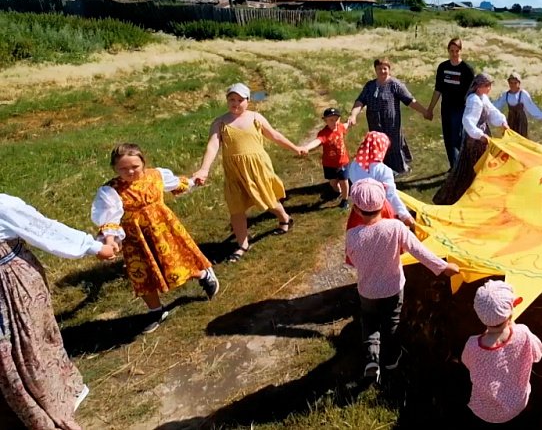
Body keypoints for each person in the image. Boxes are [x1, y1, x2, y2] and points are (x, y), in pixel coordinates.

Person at [1, 194, 117, 430]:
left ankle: (47, 403)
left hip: (12, 283)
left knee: (31, 345)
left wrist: (94, 247)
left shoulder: (2, 205)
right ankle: (17, 407)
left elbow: (44, 229)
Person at [92, 143, 219, 334]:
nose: (130, 171)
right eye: (123, 169)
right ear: (115, 169)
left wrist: (194, 181)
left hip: (164, 228)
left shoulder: (156, 175)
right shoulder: (110, 191)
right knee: (141, 273)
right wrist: (110, 241)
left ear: (143, 163)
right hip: (135, 238)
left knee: (175, 261)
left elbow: (177, 184)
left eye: (135, 166)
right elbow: (109, 218)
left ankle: (203, 275)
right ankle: (156, 311)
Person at [345, 179, 460, 382]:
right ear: (384, 204)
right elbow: (418, 251)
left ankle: (372, 358)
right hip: (393, 288)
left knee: (369, 321)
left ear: (356, 209)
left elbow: (353, 261)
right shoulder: (396, 227)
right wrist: (442, 267)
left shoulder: (353, 235)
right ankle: (391, 359)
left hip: (367, 290)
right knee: (392, 322)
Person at [191, 83, 299, 262]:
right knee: (236, 207)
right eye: (231, 99)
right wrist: (204, 169)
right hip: (234, 172)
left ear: (248, 100)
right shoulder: (220, 122)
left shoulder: (256, 118)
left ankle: (285, 218)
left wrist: (295, 148)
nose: (235, 103)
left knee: (268, 198)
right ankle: (242, 244)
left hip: (257, 168)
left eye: (240, 100)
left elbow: (275, 135)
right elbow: (213, 145)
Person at [461, 281, 542, 427]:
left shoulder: (473, 345)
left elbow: (466, 362)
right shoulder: (523, 333)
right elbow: (538, 354)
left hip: (484, 410)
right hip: (518, 404)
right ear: (512, 309)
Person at [433, 74, 509, 205]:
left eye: (490, 85)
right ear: (479, 87)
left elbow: (491, 112)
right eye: (487, 85)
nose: (489, 88)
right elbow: (467, 121)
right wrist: (480, 135)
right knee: (472, 168)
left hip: (482, 137)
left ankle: (480, 194)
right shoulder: (474, 100)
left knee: (481, 166)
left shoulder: (483, 98)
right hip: (475, 140)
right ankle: (466, 196)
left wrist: (502, 121)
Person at [347, 59, 429, 175]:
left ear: (389, 70)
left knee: (393, 144)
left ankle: (399, 169)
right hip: (375, 124)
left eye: (385, 68)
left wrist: (424, 112)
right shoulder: (370, 86)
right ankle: (380, 171)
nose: (382, 71)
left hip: (392, 124)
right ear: (375, 70)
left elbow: (410, 100)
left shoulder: (395, 85)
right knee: (377, 145)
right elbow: (360, 101)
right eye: (379, 68)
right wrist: (353, 115)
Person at [346, 131, 414, 229]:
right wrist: (405, 216)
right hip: (380, 212)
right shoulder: (383, 170)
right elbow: (391, 196)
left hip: (360, 211)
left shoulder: (354, 165)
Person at [426, 38, 476, 169]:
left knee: (457, 138)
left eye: (457, 51)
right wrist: (430, 109)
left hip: (460, 109)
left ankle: (459, 167)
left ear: (461, 51)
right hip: (446, 108)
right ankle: (454, 167)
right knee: (448, 139)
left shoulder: (467, 70)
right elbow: (438, 90)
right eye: (451, 51)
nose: (454, 54)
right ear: (448, 51)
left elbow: (473, 92)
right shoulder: (443, 67)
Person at [300, 108, 351, 209]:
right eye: (331, 120)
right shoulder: (324, 133)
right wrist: (306, 148)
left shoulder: (341, 127)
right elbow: (317, 141)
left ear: (339, 119)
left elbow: (346, 125)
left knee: (344, 181)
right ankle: (338, 191)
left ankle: (345, 200)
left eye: (336, 119)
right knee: (332, 183)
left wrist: (350, 121)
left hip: (343, 162)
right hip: (329, 164)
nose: (334, 122)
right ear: (325, 121)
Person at [493, 72, 542, 139]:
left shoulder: (523, 94)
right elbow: (497, 105)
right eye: (511, 83)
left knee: (521, 138)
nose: (513, 85)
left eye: (515, 83)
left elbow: (531, 107)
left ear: (519, 83)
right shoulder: (505, 95)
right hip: (511, 119)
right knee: (510, 138)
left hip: (521, 120)